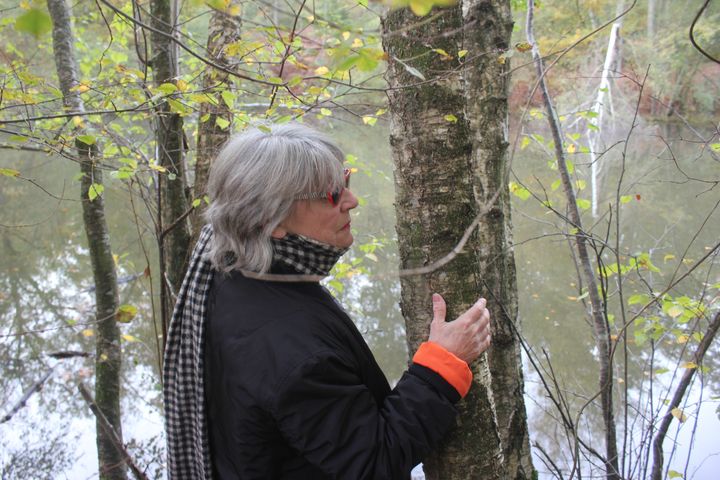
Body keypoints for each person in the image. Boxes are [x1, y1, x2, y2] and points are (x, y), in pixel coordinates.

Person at [163, 123, 492, 480]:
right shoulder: (295, 351)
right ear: (272, 221)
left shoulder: (232, 272)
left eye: (345, 180)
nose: (352, 200)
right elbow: (373, 462)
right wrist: (441, 368)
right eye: (332, 194)